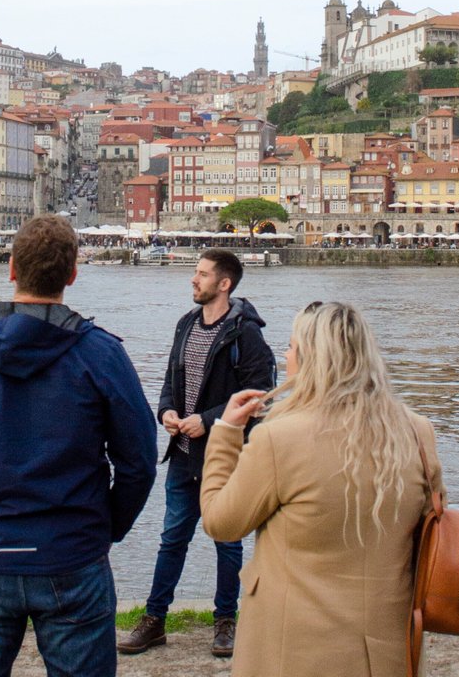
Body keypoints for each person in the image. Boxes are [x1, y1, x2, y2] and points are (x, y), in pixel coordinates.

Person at [0, 214, 157, 677]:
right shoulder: (100, 354)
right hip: (72, 550)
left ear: (10, 269)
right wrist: (105, 528)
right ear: (72, 275)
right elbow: (138, 463)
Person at [198, 301, 443, 676]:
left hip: (293, 651)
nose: (286, 354)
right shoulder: (416, 431)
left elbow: (221, 522)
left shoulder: (280, 438)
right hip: (387, 647)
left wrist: (226, 434)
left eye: (293, 347)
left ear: (312, 359)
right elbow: (429, 527)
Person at [118, 248, 274, 659]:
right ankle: (154, 621)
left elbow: (258, 395)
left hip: (226, 457)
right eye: (195, 272)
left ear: (224, 284)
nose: (194, 279)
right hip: (184, 452)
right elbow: (172, 378)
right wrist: (166, 411)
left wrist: (208, 420)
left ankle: (226, 621)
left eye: (202, 274)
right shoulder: (186, 324)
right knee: (172, 538)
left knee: (228, 541)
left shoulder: (246, 334)